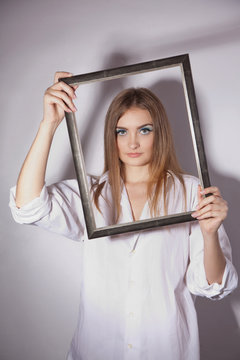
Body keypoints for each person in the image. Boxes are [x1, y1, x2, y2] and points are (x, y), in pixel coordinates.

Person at [9, 72, 238, 360]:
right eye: (122, 131)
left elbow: (213, 285)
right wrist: (49, 124)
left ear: (160, 133)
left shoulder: (191, 192)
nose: (132, 143)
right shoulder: (92, 193)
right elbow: (27, 206)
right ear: (112, 136)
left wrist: (210, 233)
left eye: (144, 130)